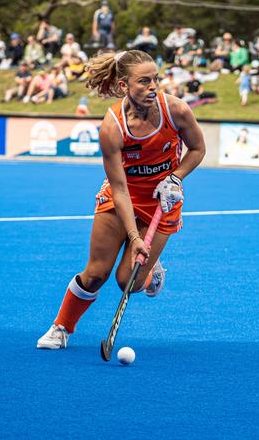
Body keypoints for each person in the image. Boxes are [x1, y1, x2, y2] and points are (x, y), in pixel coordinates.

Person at [37, 49, 206, 349]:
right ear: (123, 86)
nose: (152, 87)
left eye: (155, 79)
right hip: (122, 195)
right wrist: (133, 236)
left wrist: (176, 177)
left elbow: (197, 149)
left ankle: (150, 272)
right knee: (97, 272)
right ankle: (62, 327)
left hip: (162, 199)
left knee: (128, 281)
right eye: (143, 82)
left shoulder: (176, 110)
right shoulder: (112, 126)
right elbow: (119, 189)